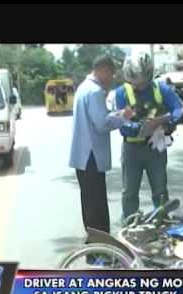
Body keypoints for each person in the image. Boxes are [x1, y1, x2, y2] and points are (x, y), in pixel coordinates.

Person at [114, 52, 183, 220]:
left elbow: (179, 108)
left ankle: (162, 223)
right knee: (130, 192)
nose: (139, 83)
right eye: (135, 78)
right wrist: (140, 127)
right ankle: (129, 224)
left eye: (143, 78)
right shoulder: (121, 93)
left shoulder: (161, 89)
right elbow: (120, 123)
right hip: (132, 149)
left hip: (155, 148)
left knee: (160, 190)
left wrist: (168, 123)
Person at [69, 55, 134, 233]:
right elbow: (101, 123)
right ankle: (100, 250)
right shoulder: (95, 91)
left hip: (82, 155)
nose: (112, 79)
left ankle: (94, 247)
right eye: (111, 74)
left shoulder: (83, 88)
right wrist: (123, 116)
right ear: (104, 70)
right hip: (92, 155)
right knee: (97, 206)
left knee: (89, 204)